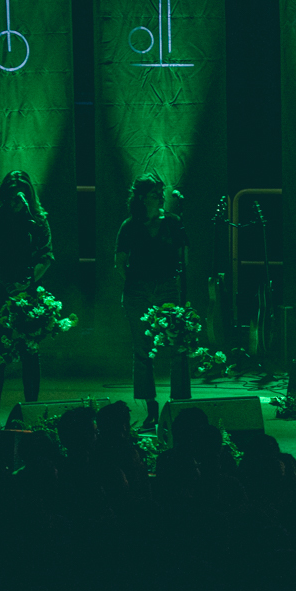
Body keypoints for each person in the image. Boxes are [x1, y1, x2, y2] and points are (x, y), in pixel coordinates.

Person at [114, 172, 188, 430]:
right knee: (143, 350)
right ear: (142, 197)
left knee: (178, 346)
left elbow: (183, 258)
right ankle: (151, 408)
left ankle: (178, 404)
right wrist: (138, 282)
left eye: (160, 191)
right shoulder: (130, 225)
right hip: (138, 291)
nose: (159, 195)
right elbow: (120, 262)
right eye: (154, 191)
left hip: (167, 289)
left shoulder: (174, 222)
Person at [0, 170, 54, 426]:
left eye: (21, 186)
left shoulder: (38, 220)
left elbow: (46, 255)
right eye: (12, 187)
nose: (17, 190)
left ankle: (31, 410)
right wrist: (9, 286)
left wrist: (29, 281)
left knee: (30, 354)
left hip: (29, 297)